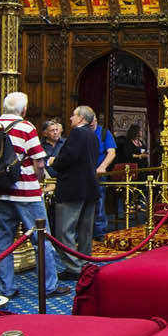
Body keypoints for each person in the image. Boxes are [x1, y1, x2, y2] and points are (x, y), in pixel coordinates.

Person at [0, 92, 65, 300]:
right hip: (27, 193)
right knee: (41, 239)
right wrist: (38, 180)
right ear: (24, 110)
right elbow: (39, 161)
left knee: (4, 243)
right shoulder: (26, 127)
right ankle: (48, 286)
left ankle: (8, 288)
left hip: (0, 192)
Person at [50, 105, 102, 283]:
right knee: (85, 231)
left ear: (81, 119)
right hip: (89, 187)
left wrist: (54, 162)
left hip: (73, 188)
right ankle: (85, 263)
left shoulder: (78, 133)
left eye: (73, 115)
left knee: (65, 229)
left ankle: (73, 267)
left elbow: (69, 158)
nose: (70, 118)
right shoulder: (93, 136)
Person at [91, 118, 118, 240]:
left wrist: (103, 166)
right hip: (83, 173)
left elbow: (111, 152)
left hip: (99, 174)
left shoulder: (104, 133)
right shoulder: (81, 132)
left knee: (99, 203)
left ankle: (100, 232)